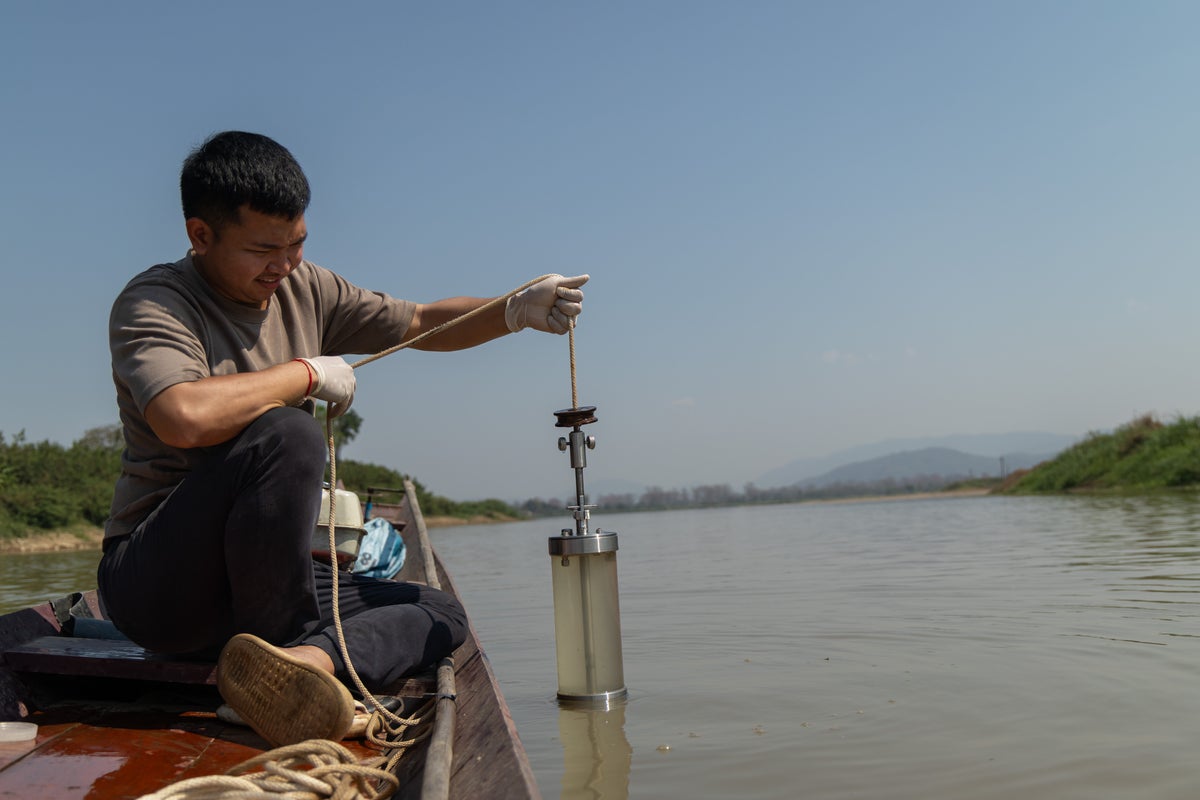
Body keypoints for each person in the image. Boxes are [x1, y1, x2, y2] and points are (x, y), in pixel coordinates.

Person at [97, 130, 588, 748]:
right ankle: (285, 651)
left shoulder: (305, 287)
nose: (284, 265)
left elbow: (417, 321)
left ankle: (303, 669)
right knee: (286, 431)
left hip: (264, 585)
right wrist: (304, 374)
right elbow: (181, 416)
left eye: (297, 244)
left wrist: (514, 309)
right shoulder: (156, 303)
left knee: (440, 613)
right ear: (201, 235)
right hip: (164, 588)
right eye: (263, 250)